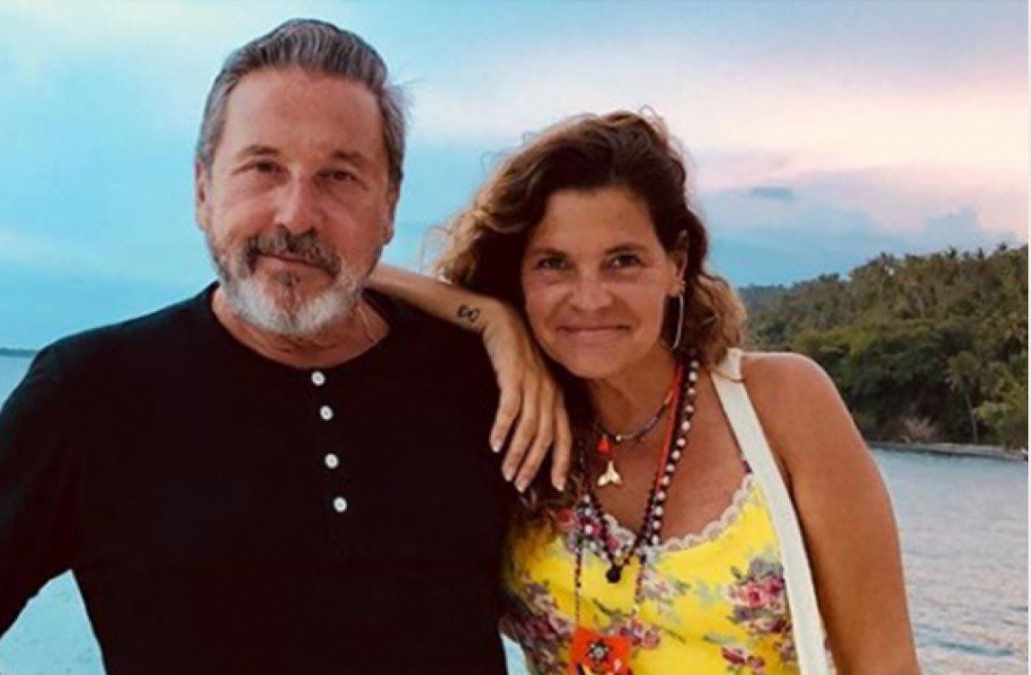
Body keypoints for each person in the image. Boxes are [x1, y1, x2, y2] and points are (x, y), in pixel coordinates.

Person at [0, 19, 567, 674]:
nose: (296, 214)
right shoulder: (92, 391)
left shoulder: (482, 380)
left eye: (339, 176)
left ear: (388, 206)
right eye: (263, 167)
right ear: (203, 189)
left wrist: (496, 323)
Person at [370, 111, 920, 673]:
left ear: (676, 265)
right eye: (553, 264)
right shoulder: (513, 423)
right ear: (519, 278)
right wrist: (493, 319)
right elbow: (352, 273)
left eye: (623, 261)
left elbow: (886, 664)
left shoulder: (780, 403)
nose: (590, 298)